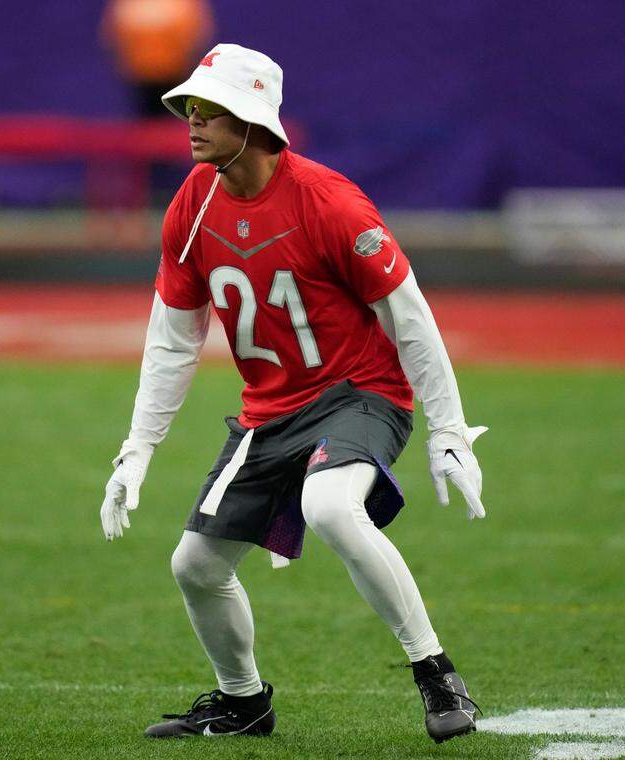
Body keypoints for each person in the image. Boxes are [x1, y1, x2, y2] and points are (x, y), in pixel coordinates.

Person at [100, 43, 488, 744]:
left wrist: (449, 429)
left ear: (251, 119)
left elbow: (412, 319)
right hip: (269, 414)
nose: (191, 121)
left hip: (358, 394)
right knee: (194, 566)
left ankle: (436, 672)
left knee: (332, 506)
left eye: (209, 109)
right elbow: (173, 337)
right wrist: (138, 447)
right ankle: (243, 702)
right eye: (190, 107)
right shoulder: (191, 204)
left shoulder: (330, 203)